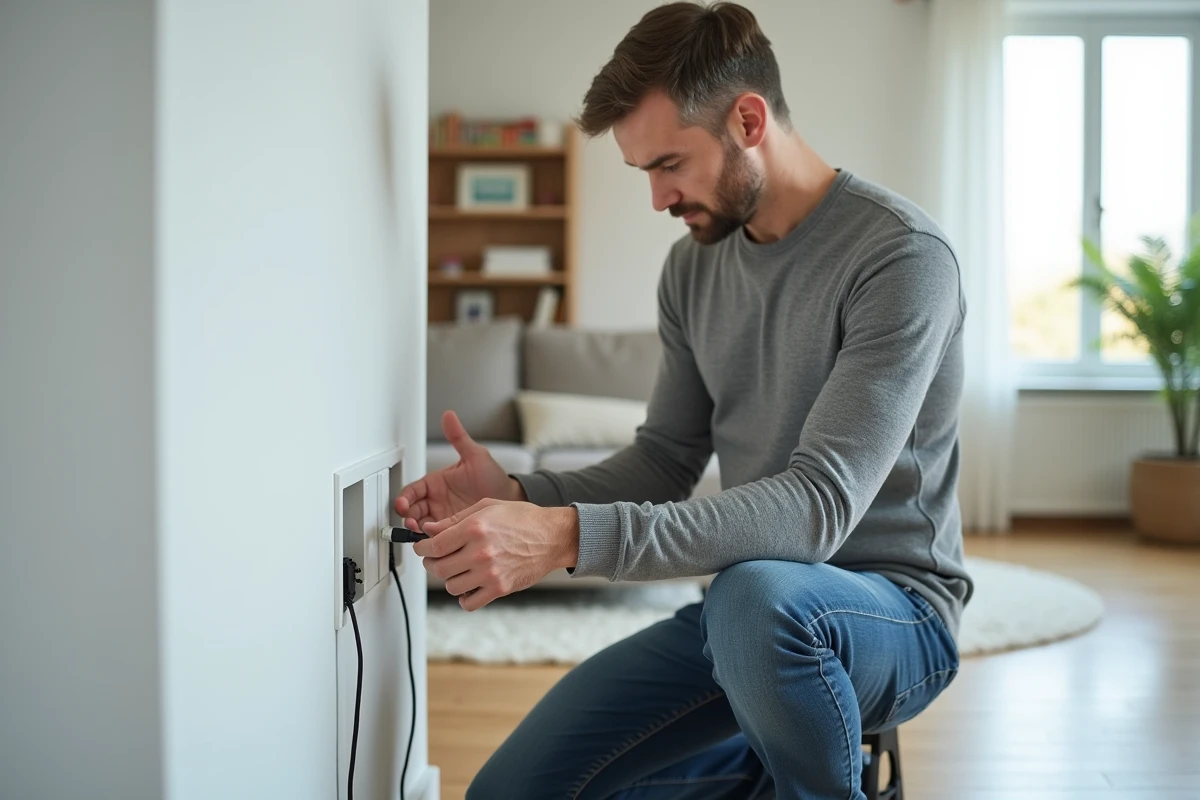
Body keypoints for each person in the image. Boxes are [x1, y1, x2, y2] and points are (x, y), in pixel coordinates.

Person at [395, 2, 971, 797]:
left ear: (747, 118)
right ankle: (762, 766)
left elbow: (814, 511)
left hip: (891, 617)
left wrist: (563, 536)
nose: (658, 199)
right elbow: (665, 459)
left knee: (755, 592)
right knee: (510, 792)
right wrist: (523, 493)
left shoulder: (901, 259)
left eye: (671, 164)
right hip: (740, 624)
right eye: (644, 173)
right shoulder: (693, 271)